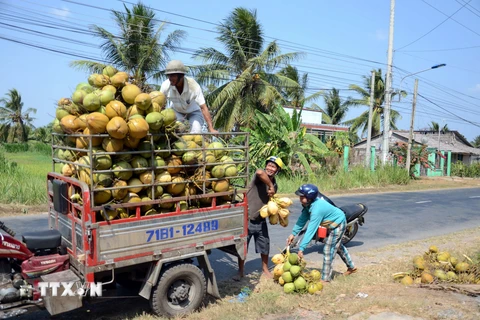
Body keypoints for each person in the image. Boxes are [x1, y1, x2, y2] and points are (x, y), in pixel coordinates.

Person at [286, 184, 357, 283]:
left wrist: (301, 248)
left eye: (302, 197)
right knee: (337, 247)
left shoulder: (317, 209)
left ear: (309, 197)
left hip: (338, 224)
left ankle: (325, 279)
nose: (299, 199)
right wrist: (293, 234)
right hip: (331, 224)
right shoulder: (308, 205)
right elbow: (302, 219)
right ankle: (351, 267)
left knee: (328, 250)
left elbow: (311, 229)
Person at [235, 156, 285, 281]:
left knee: (265, 245)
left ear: (277, 170)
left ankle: (265, 269)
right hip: (247, 218)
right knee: (243, 246)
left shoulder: (275, 185)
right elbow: (259, 172)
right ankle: (240, 271)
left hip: (261, 220)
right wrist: (270, 185)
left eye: (273, 167)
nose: (270, 168)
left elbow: (270, 202)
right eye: (269, 165)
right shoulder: (259, 178)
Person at [160, 60, 218, 134]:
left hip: (194, 112)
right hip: (176, 111)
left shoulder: (193, 86)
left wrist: (211, 128)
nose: (170, 78)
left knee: (196, 132)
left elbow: (203, 107)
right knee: (177, 131)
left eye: (173, 75)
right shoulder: (166, 85)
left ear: (181, 76)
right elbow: (160, 104)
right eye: (168, 75)